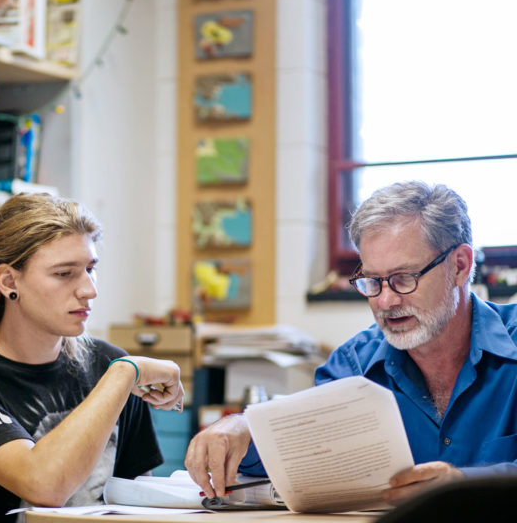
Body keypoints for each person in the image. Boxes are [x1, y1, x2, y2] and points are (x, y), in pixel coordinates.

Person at [185, 181, 517, 505]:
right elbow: (297, 454)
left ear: (460, 266)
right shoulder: (353, 366)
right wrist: (243, 428)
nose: (385, 301)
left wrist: (463, 488)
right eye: (373, 281)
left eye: (404, 278)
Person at [0, 193, 185, 522]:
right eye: (64, 273)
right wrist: (124, 375)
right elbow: (43, 486)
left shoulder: (109, 362)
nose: (89, 289)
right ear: (9, 281)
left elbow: (136, 499)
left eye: (90, 269)